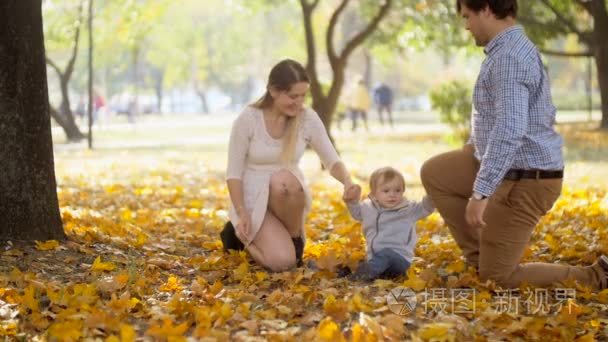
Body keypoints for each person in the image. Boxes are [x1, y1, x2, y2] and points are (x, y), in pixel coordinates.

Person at [420, 0, 608, 289]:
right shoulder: (505, 49)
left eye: (468, 16)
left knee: (499, 278)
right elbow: (495, 118)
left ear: (485, 9)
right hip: (504, 165)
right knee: (437, 172)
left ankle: (596, 277)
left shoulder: (509, 57)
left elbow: (509, 129)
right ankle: (481, 257)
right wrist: (475, 146)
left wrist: (480, 193)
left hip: (526, 179)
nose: (466, 25)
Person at [220, 59, 361, 272]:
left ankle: (294, 242)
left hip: (287, 196)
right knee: (282, 262)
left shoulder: (307, 118)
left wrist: (348, 182)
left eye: (303, 95)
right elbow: (233, 174)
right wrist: (242, 212)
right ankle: (239, 238)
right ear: (273, 90)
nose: (299, 102)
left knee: (284, 180)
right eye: (293, 96)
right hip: (252, 199)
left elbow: (331, 160)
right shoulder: (248, 119)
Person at [343, 167, 434, 281]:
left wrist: (432, 194)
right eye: (386, 191)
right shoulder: (368, 208)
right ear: (374, 193)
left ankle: (359, 277)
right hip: (375, 258)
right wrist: (352, 201)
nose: (392, 195)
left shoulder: (408, 209)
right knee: (362, 261)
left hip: (400, 260)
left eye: (397, 190)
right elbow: (356, 213)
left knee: (386, 254)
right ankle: (346, 271)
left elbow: (426, 207)